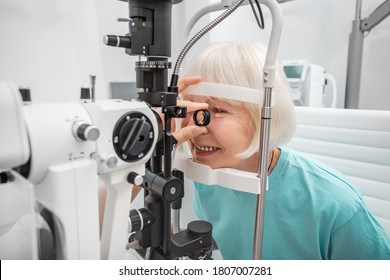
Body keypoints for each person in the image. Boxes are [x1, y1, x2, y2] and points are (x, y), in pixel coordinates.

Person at [173, 41, 390, 260]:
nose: (196, 126)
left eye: (218, 110)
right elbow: (232, 235)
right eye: (191, 107)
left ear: (263, 115)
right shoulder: (207, 177)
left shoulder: (336, 205)